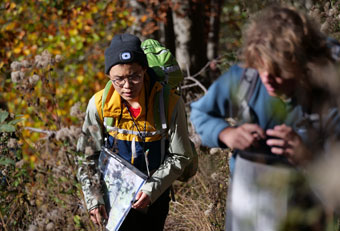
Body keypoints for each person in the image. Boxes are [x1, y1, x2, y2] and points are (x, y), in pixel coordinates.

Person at [190, 5, 340, 231]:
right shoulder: (247, 78)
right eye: (261, 68)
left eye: (278, 71)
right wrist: (226, 133)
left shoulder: (329, 92)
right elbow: (201, 113)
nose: (268, 79)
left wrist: (306, 157)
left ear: (302, 64)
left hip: (307, 213)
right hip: (249, 208)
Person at [77, 33, 193, 230]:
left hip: (155, 198)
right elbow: (86, 156)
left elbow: (181, 155)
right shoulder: (99, 105)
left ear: (144, 70)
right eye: (119, 79)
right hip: (113, 199)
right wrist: (94, 199)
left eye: (135, 76)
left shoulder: (169, 103)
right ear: (108, 77)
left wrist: (152, 189)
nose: (127, 86)